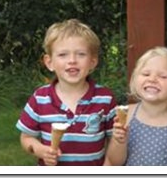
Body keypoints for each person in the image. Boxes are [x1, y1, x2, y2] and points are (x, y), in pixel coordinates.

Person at [16, 19, 117, 166]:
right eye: (63, 54)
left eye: (81, 54)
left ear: (93, 62)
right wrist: (40, 150)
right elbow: (26, 138)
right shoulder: (40, 98)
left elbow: (114, 141)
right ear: (49, 62)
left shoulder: (105, 98)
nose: (72, 60)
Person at [106, 46, 167, 166]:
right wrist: (119, 141)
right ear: (134, 81)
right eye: (146, 74)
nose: (152, 79)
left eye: (163, 76)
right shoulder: (127, 115)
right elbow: (113, 163)